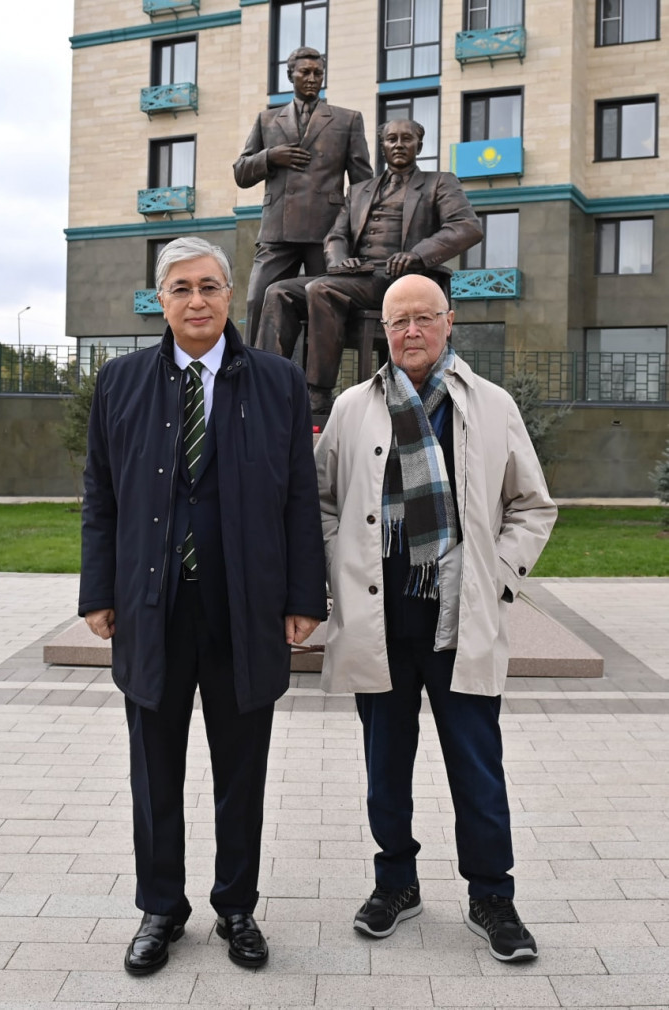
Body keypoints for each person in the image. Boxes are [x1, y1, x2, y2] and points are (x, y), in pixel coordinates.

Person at [79, 236, 327, 975]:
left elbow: (299, 499)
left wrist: (303, 595)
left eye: (210, 286)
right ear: (161, 300)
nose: (197, 300)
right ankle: (161, 907)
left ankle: (236, 906)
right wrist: (98, 591)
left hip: (243, 609)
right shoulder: (120, 382)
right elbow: (100, 496)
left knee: (241, 771)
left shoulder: (279, 382)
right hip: (151, 607)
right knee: (154, 770)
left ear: (229, 294)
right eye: (182, 288)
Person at [314, 274, 557, 961]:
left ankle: (493, 896)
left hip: (460, 621)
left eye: (424, 317)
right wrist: (337, 561)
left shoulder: (491, 404)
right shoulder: (353, 407)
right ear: (385, 332)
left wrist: (499, 575)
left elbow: (532, 506)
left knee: (477, 769)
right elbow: (321, 499)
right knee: (385, 768)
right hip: (380, 621)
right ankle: (395, 884)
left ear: (450, 323)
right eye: (399, 321)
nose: (411, 331)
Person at [255, 119, 483, 414]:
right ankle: (266, 382)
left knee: (321, 289)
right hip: (356, 277)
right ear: (382, 146)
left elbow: (467, 227)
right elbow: (336, 236)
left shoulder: (439, 182)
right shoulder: (359, 190)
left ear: (419, 146)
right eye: (391, 139)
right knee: (278, 291)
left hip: (402, 281)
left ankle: (318, 393)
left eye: (406, 139)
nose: (398, 144)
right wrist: (339, 261)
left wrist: (417, 254)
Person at [233, 46, 373, 346]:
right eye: (305, 72)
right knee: (257, 299)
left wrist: (356, 238)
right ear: (290, 75)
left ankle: (313, 375)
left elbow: (363, 185)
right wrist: (270, 156)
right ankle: (253, 366)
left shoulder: (347, 120)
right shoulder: (267, 120)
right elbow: (241, 173)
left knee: (321, 308)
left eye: (318, 73)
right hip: (277, 231)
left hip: (326, 232)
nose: (312, 78)